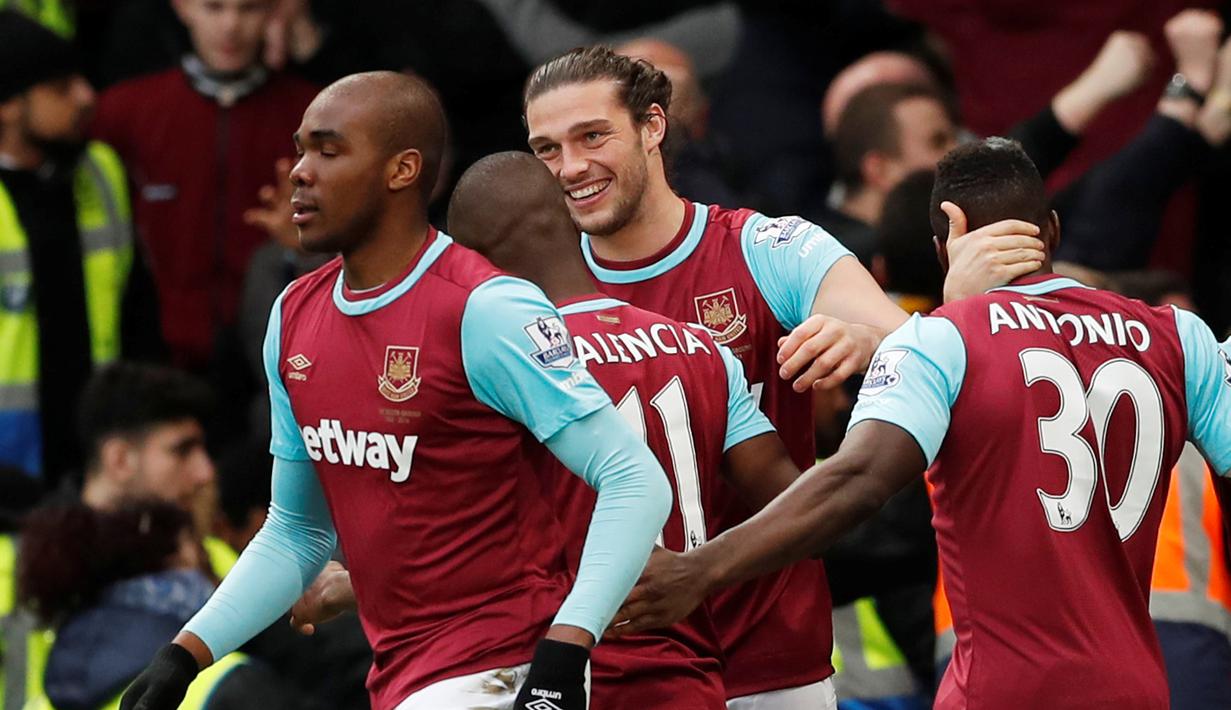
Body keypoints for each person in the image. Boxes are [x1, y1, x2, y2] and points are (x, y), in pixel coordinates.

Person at [613, 137, 1231, 709]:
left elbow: (858, 480)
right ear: (1053, 233)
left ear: (945, 241)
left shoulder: (940, 339)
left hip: (999, 691)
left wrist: (701, 569)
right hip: (1139, 687)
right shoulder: (1181, 337)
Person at [119, 71, 671, 710]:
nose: (300, 172)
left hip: (503, 673)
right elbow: (298, 530)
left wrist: (564, 652)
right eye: (301, 149)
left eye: (328, 150)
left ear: (403, 169)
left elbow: (634, 478)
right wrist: (185, 653)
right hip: (404, 676)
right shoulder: (294, 314)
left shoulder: (484, 309)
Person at [522, 45, 1040, 708]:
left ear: (653, 127)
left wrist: (862, 338)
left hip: (771, 665)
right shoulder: (524, 294)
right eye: (547, 149)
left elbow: (919, 350)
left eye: (592, 136)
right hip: (608, 670)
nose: (570, 167)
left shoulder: (766, 248)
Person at [448, 151, 813, 708]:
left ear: (477, 263)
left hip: (561, 676)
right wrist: (701, 571)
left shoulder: (512, 361)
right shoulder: (703, 349)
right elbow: (797, 505)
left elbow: (463, 542)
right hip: (690, 677)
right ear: (569, 220)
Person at [90, 0, 318, 377]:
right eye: (214, 7)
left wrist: (307, 245)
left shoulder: (314, 112)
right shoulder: (123, 113)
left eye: (250, 9)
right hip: (155, 353)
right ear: (182, 7)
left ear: (274, 12)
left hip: (277, 354)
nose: (231, 26)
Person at [0, 10, 161, 482]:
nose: (86, 97)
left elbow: (138, 307)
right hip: (12, 460)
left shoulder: (99, 170)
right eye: (60, 87)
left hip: (101, 448)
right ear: (7, 105)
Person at [18, 498, 309, 710]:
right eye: (204, 559)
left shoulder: (44, 696)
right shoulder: (232, 683)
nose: (216, 576)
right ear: (174, 565)